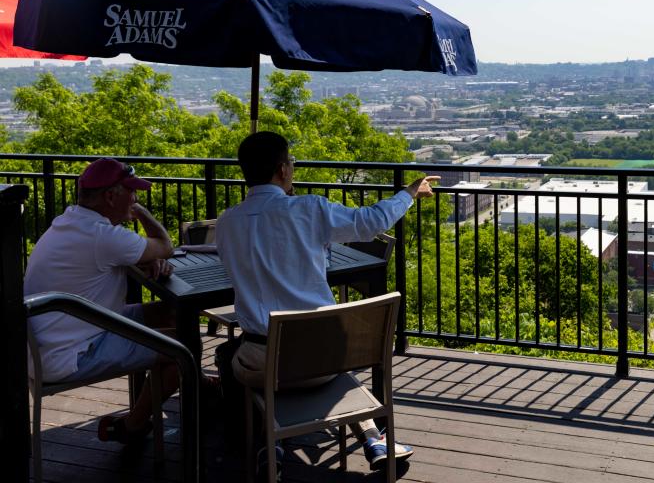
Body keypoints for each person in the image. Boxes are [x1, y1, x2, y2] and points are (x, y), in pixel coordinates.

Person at [216, 131, 436, 472]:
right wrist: (408, 192)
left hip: (262, 366)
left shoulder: (227, 222)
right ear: (283, 170)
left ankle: (266, 441)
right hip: (326, 362)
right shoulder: (309, 209)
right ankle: (373, 435)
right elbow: (370, 222)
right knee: (326, 355)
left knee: (228, 355)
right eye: (290, 162)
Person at [23, 158, 179, 444]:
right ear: (111, 196)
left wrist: (148, 258)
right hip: (71, 353)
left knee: (171, 315)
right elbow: (165, 245)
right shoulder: (102, 236)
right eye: (132, 193)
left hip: (57, 337)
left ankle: (205, 388)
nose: (135, 198)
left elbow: (111, 259)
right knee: (184, 349)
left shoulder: (69, 222)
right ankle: (133, 426)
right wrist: (141, 213)